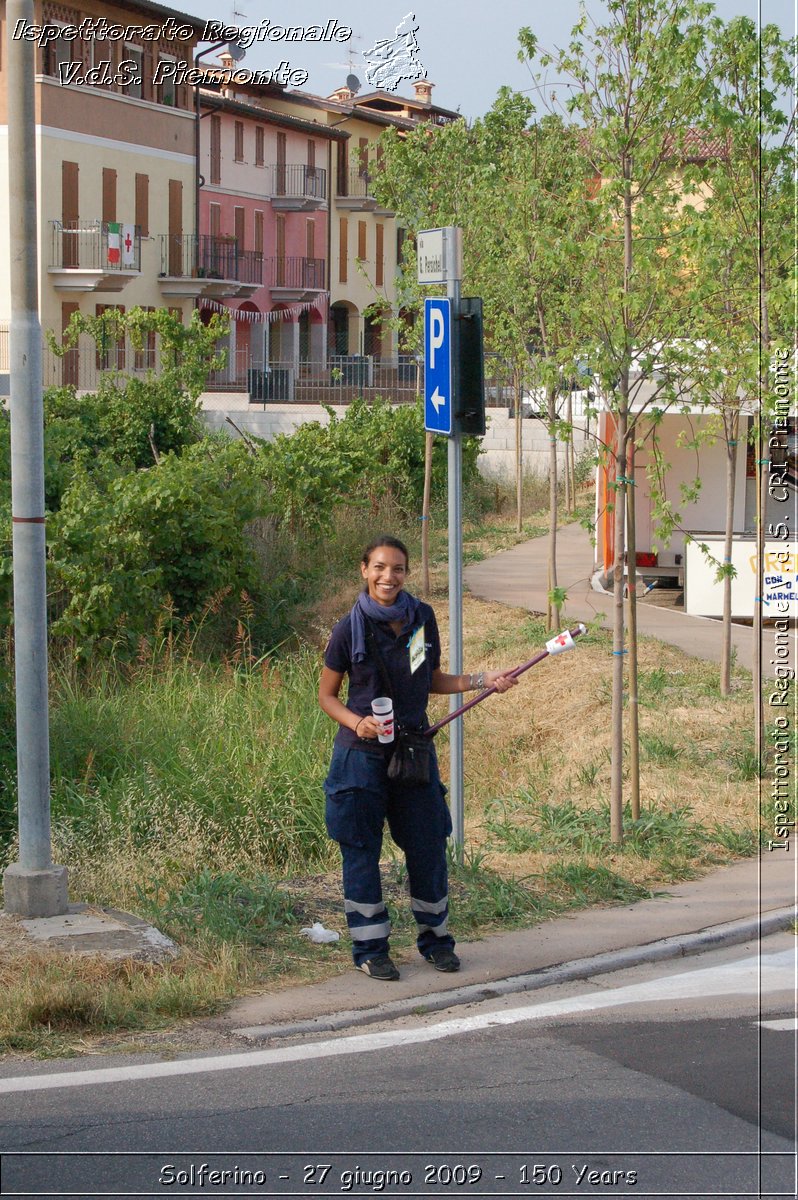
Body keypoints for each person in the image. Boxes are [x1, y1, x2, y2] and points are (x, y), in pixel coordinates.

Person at [318, 535, 517, 982]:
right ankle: (372, 950)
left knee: (428, 847)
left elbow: (429, 679)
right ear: (364, 570)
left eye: (399, 569)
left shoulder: (421, 618)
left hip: (413, 751)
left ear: (406, 574)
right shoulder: (347, 629)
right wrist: (357, 723)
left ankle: (436, 942)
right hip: (361, 757)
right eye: (380, 568)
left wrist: (485, 679)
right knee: (362, 852)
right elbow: (326, 696)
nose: (389, 577)